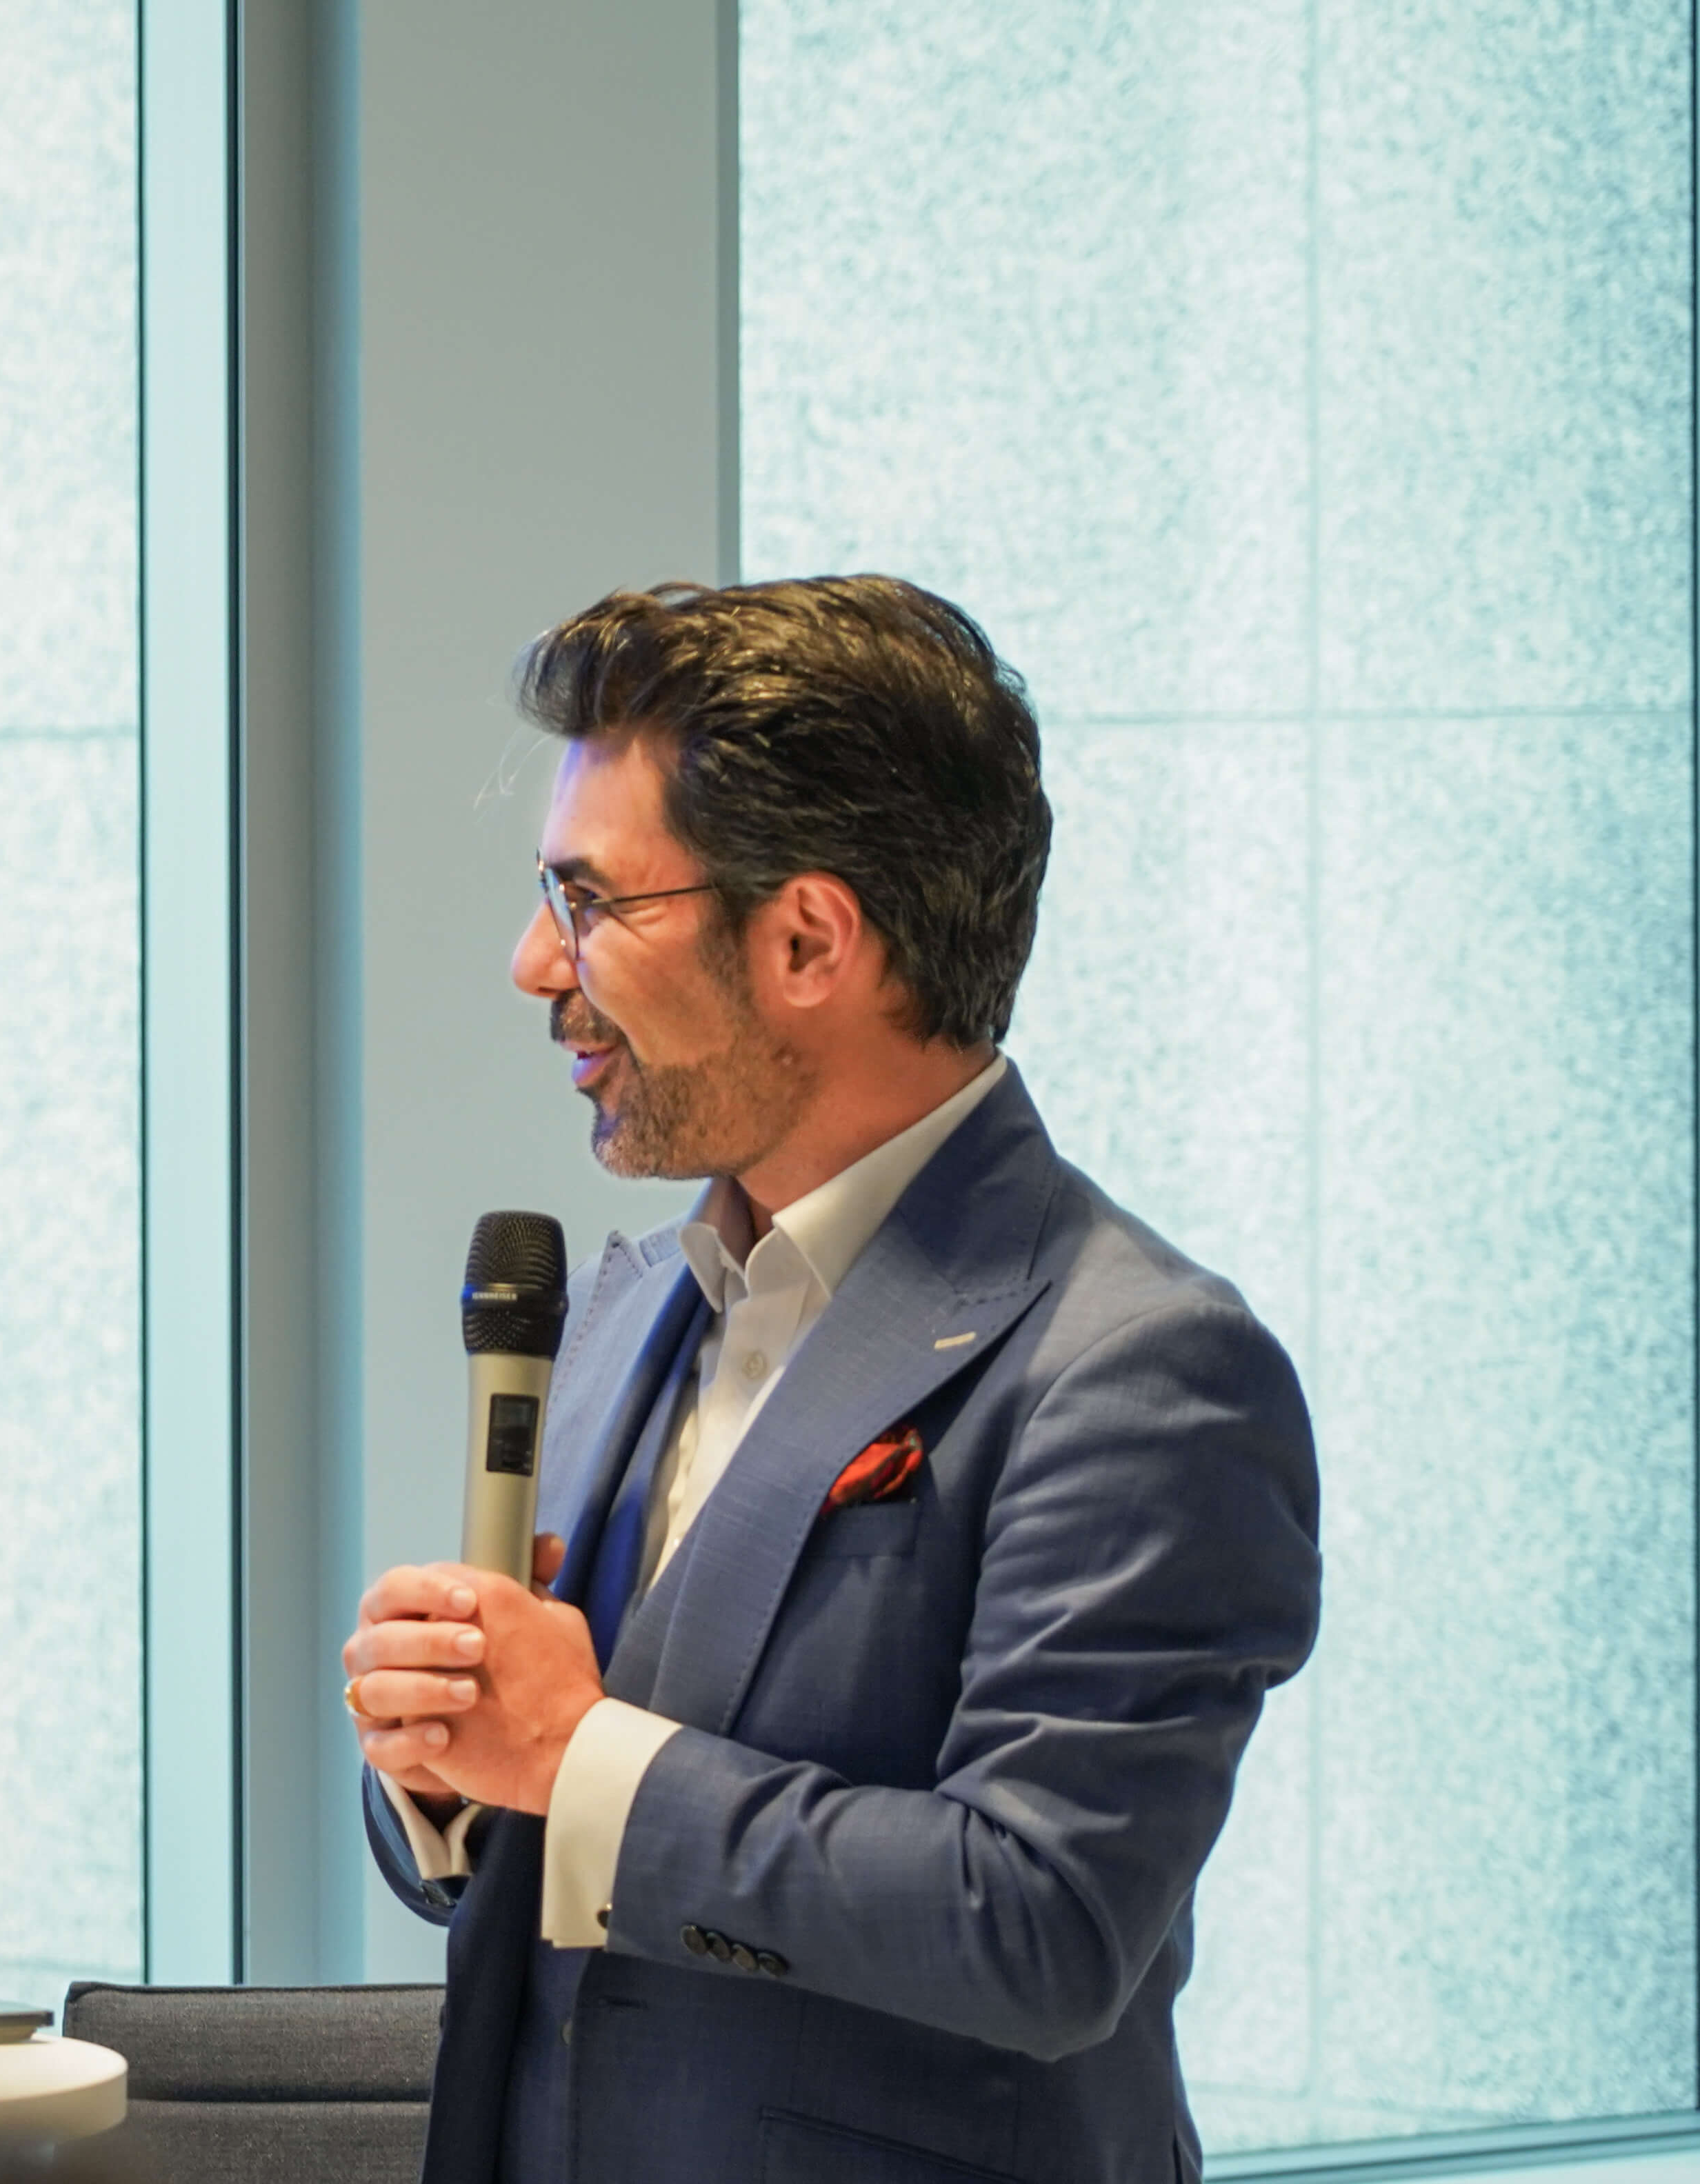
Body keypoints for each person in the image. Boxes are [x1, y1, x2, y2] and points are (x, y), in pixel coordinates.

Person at [341, 577, 1321, 2183]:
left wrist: (569, 1755)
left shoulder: (1139, 1369)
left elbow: (1043, 1926)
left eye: (588, 902)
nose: (534, 965)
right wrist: (441, 1759)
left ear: (806, 938)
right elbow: (540, 1849)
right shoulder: (626, 1303)